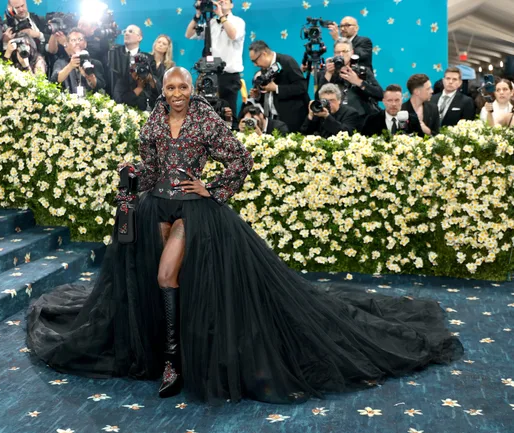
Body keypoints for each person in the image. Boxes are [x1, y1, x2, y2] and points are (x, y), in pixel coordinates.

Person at [27, 67, 463, 404]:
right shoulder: (155, 120)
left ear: (192, 89)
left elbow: (241, 158)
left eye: (183, 87)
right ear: (163, 90)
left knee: (165, 275)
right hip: (155, 207)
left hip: (194, 212)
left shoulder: (206, 120)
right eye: (171, 88)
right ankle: (165, 351)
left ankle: (174, 361)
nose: (176, 94)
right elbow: (152, 167)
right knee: (163, 282)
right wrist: (132, 173)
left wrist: (212, 189)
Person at [185, 0, 245, 113]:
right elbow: (189, 34)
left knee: (228, 112)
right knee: (209, 112)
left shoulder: (238, 21)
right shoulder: (211, 22)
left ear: (232, 5)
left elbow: (233, 35)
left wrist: (221, 15)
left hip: (229, 76)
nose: (222, 1)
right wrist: (198, 14)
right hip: (211, 74)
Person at [247, 40, 309, 133]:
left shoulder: (287, 61)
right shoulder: (264, 68)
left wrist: (277, 88)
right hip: (273, 117)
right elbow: (269, 94)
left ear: (264, 54)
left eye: (255, 61)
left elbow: (302, 87)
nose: (255, 64)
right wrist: (258, 95)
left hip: (292, 117)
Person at [317, 38, 382, 119]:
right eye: (337, 52)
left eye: (345, 51)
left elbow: (380, 95)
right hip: (335, 118)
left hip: (361, 117)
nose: (341, 55)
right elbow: (318, 98)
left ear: (352, 53)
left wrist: (358, 82)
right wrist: (329, 73)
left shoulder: (362, 70)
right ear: (334, 54)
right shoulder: (326, 72)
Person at [50, 28, 106, 95]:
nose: (77, 43)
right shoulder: (60, 62)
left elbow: (100, 87)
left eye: (80, 39)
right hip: (67, 100)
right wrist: (70, 66)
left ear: (85, 43)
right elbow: (54, 81)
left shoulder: (95, 63)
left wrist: (90, 76)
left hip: (89, 100)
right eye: (73, 40)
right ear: (68, 44)